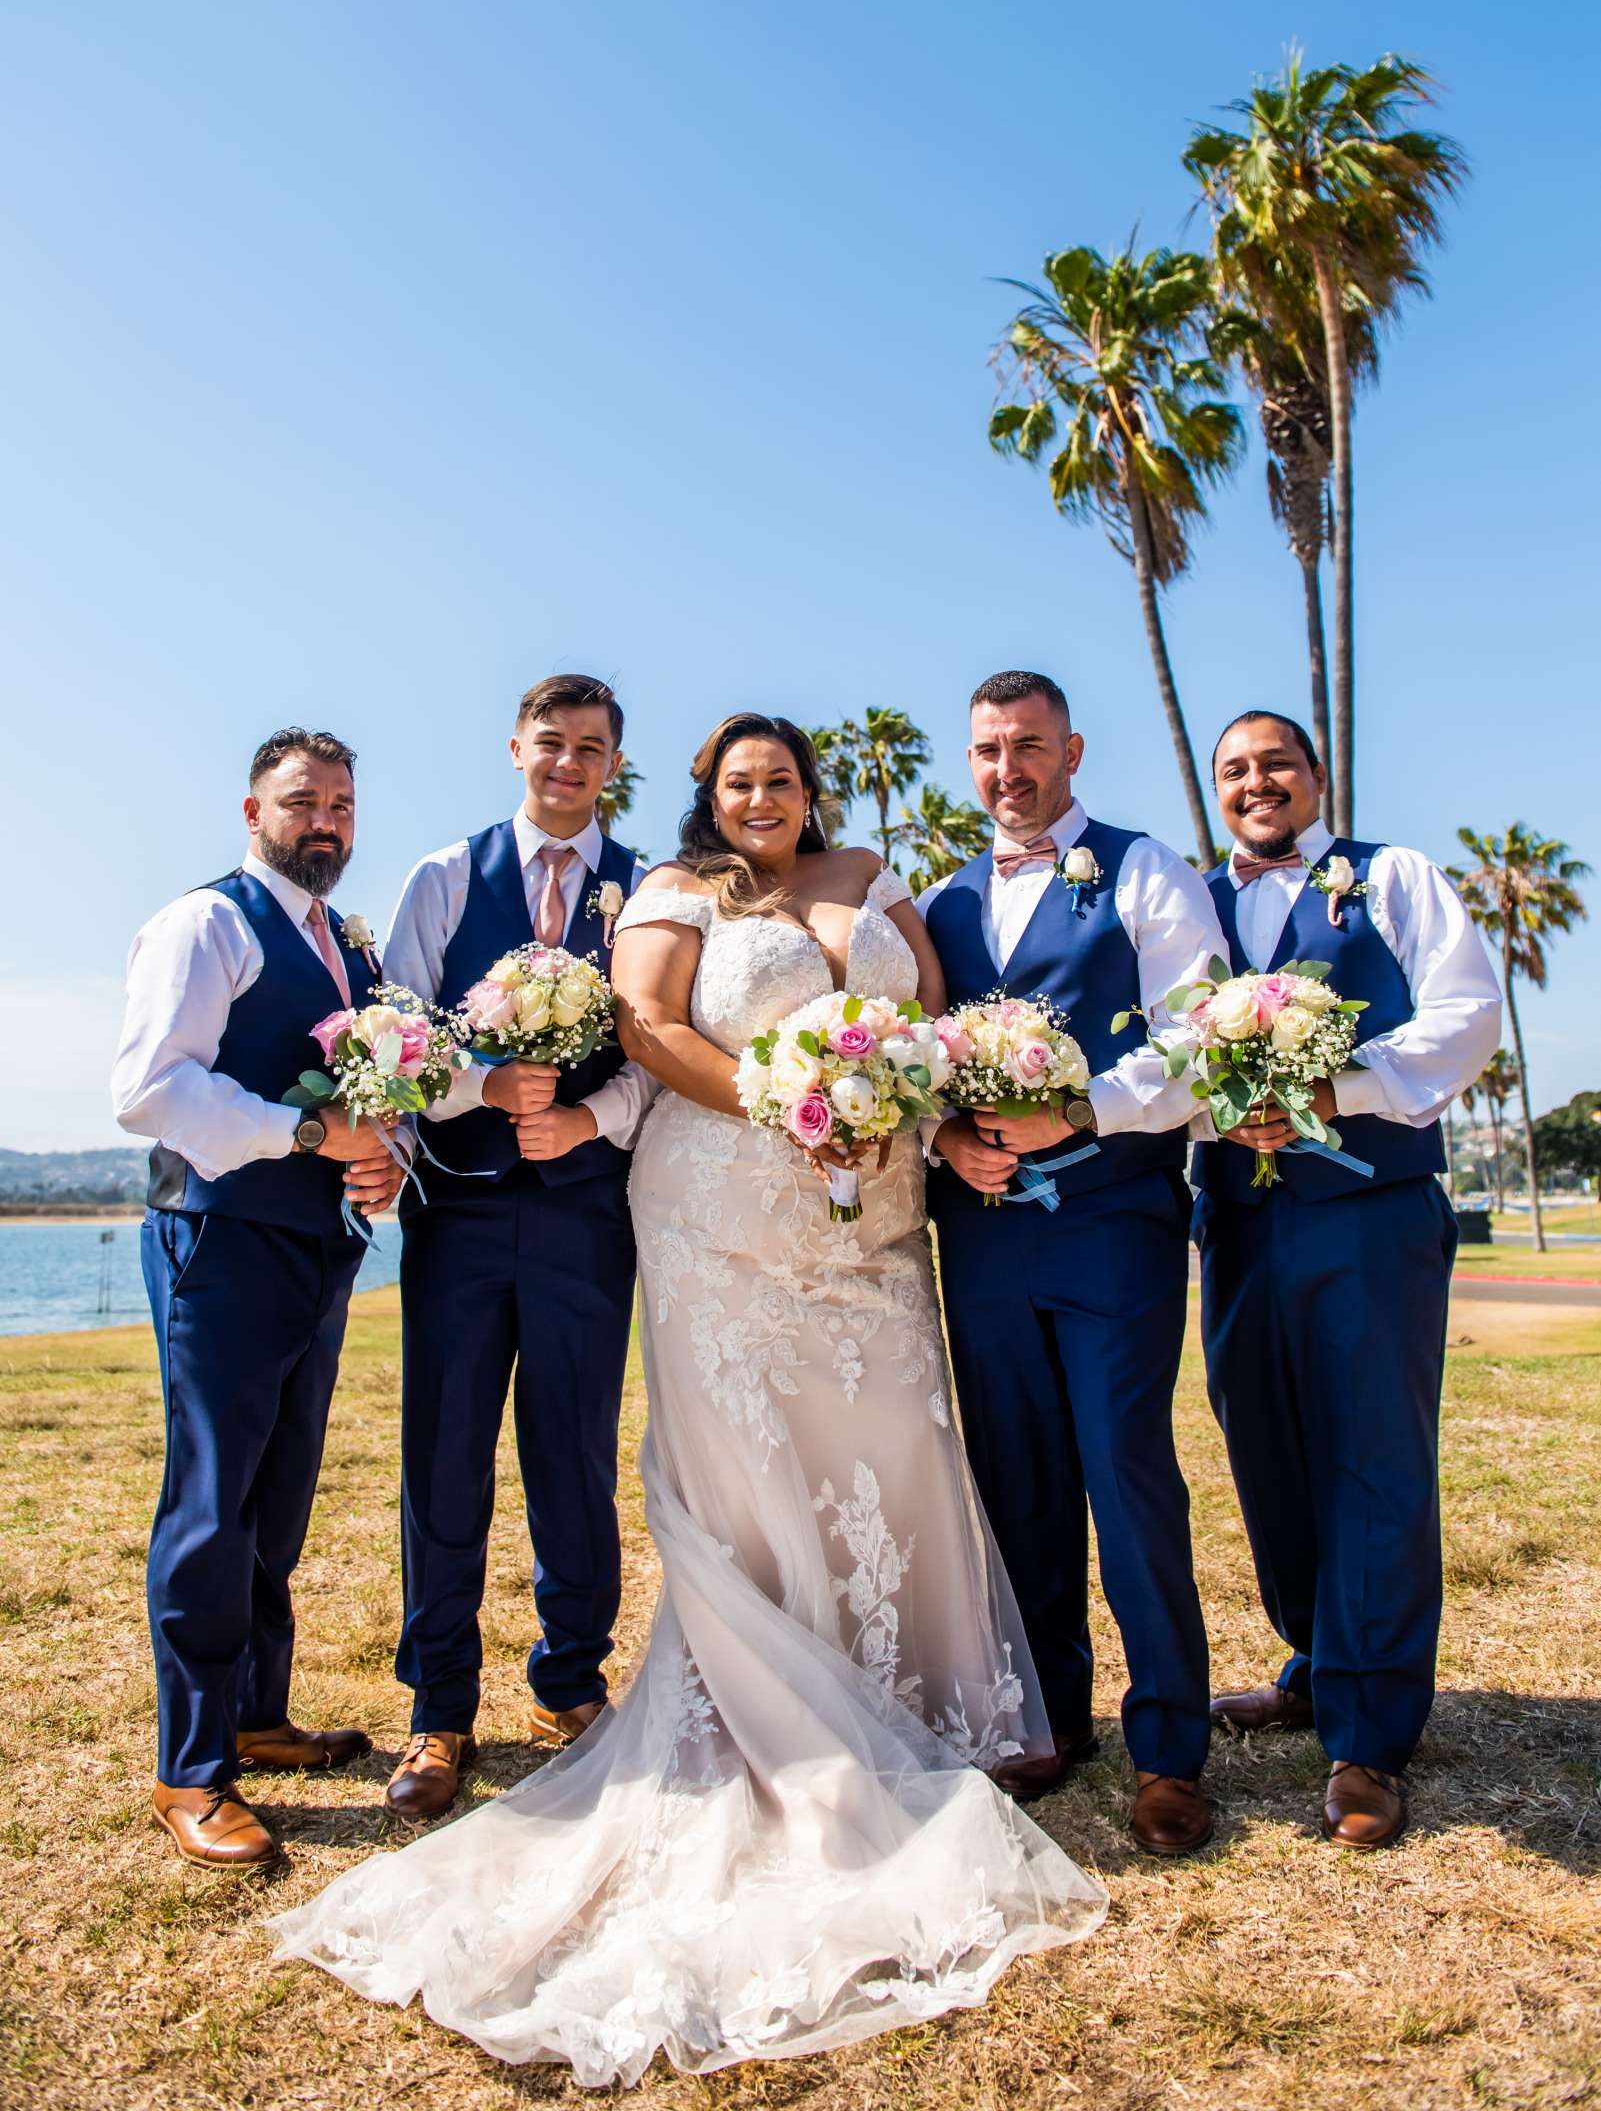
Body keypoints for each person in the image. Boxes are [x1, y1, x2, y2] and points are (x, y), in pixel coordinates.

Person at [270, 712, 1106, 2084]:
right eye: (738, 782)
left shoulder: (877, 880)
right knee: (744, 1467)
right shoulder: (669, 894)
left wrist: (921, 1110)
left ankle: (922, 1695)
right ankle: (714, 1706)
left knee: (890, 1448)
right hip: (726, 1209)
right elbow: (649, 1026)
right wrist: (795, 1100)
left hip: (878, 1221)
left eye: (780, 778)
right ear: (708, 801)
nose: (762, 796)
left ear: (808, 791)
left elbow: (937, 1023)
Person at [920, 670, 1227, 1857]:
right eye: (990, 751)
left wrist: (1084, 1111)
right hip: (984, 1239)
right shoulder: (942, 901)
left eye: (1030, 747)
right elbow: (915, 1070)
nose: (1011, 772)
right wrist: (948, 1138)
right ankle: (1046, 1718)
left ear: (1072, 750)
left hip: (1113, 1230)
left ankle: (1169, 1749)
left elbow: (1197, 1038)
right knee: (1017, 1482)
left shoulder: (1144, 871)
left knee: (1126, 1475)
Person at [1193, 710, 1500, 1848]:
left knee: (1371, 1453)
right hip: (1234, 1217)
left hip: (1369, 1212)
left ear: (1315, 778)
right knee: (1262, 1444)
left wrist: (1340, 1088)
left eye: (1276, 762)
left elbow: (1464, 1015)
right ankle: (1317, 1663)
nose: (1255, 782)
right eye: (1234, 769)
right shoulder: (1189, 902)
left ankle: (1367, 1734)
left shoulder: (1392, 878)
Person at [113, 728, 407, 1868]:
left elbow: (378, 1092)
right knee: (210, 1500)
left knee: (277, 1497)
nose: (324, 820)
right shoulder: (207, 924)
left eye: (340, 802)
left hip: (318, 1246)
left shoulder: (347, 946)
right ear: (252, 812)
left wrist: (381, 1153)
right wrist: (306, 1131)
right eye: (301, 802)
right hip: (219, 1241)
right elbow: (150, 1087)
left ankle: (254, 1711)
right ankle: (191, 1770)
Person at [377, 676, 655, 1819]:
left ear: (611, 764)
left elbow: (659, 1054)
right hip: (457, 1211)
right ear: (515, 749)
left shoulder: (645, 891)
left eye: (590, 749)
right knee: (444, 1453)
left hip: (589, 1212)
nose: (567, 766)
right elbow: (392, 1040)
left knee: (574, 1452)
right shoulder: (443, 878)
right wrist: (479, 1084)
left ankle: (568, 1683)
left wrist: (589, 1118)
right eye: (551, 744)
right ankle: (438, 1708)